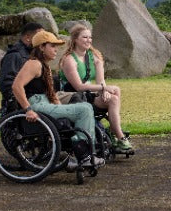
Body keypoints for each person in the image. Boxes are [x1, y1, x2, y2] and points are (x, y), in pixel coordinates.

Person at [12, 31, 104, 168]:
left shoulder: (45, 66)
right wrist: (28, 109)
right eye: (52, 46)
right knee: (84, 109)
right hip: (36, 104)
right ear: (42, 47)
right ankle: (83, 156)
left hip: (45, 102)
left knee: (83, 108)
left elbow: (52, 94)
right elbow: (16, 86)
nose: (56, 50)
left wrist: (62, 108)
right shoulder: (34, 64)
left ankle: (82, 153)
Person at [59, 24, 133, 152]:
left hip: (87, 95)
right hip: (72, 97)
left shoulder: (94, 56)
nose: (89, 40)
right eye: (85, 37)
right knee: (113, 90)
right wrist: (103, 88)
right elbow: (79, 86)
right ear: (75, 39)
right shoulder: (69, 60)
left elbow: (101, 81)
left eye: (90, 37)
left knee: (114, 94)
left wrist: (103, 91)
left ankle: (114, 131)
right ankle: (120, 136)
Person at [0, 22, 44, 103]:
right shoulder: (15, 55)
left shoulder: (32, 54)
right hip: (23, 104)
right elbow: (7, 84)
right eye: (39, 37)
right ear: (28, 38)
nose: (43, 40)